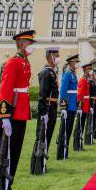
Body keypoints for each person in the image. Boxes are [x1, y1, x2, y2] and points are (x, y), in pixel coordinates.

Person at [0, 30, 34, 190]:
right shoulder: (13, 62)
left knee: (15, 151)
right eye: (30, 43)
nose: (32, 47)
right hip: (12, 113)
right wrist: (5, 117)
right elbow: (5, 91)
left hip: (21, 113)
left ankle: (8, 186)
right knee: (4, 152)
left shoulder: (25, 63)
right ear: (22, 44)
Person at [30, 47, 59, 175]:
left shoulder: (52, 72)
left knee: (47, 137)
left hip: (52, 107)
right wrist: (43, 113)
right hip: (47, 108)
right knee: (41, 137)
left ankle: (42, 162)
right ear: (50, 56)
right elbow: (42, 95)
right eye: (56, 55)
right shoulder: (46, 73)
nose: (57, 58)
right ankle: (36, 164)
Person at [56, 54, 79, 160]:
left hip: (73, 105)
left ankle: (66, 151)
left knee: (69, 130)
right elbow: (63, 90)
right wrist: (63, 107)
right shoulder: (67, 74)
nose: (76, 64)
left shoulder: (73, 74)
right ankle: (60, 153)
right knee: (64, 130)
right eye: (75, 62)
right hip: (68, 105)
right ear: (71, 63)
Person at [75, 60, 93, 151]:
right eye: (89, 70)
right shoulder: (82, 80)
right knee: (80, 125)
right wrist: (79, 106)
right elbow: (80, 94)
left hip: (86, 105)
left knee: (82, 125)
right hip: (82, 105)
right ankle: (77, 144)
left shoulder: (85, 80)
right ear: (85, 70)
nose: (90, 72)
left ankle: (79, 143)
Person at [88, 69, 96, 142]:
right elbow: (88, 94)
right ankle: (89, 136)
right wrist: (90, 105)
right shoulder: (89, 82)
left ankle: (93, 135)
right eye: (95, 74)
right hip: (91, 102)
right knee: (91, 120)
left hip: (94, 102)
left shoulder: (94, 83)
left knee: (94, 119)